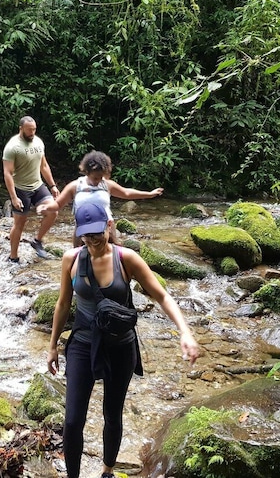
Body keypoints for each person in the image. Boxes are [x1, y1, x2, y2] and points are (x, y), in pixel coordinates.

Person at [47, 203, 200, 478]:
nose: (92, 241)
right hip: (82, 344)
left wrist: (185, 332)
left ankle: (107, 470)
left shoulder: (126, 258)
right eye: (86, 236)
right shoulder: (71, 259)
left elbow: (162, 296)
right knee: (72, 421)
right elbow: (62, 304)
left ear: (109, 226)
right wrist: (52, 346)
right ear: (79, 233)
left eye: (97, 234)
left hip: (120, 346)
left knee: (112, 413)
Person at [38, 150, 163, 246]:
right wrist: (46, 207)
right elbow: (58, 205)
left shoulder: (107, 184)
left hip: (106, 228)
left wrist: (149, 194)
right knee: (77, 259)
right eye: (95, 178)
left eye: (101, 177)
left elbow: (127, 193)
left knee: (114, 257)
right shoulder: (75, 186)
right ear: (87, 172)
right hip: (82, 229)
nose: (99, 181)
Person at [2, 116, 60, 262]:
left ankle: (37, 240)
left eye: (34, 129)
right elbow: (7, 173)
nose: (32, 132)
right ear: (21, 128)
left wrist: (52, 185)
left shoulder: (38, 142)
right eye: (29, 130)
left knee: (53, 211)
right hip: (21, 189)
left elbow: (44, 166)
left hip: (38, 185)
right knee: (19, 224)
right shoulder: (12, 147)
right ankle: (13, 256)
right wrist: (14, 197)